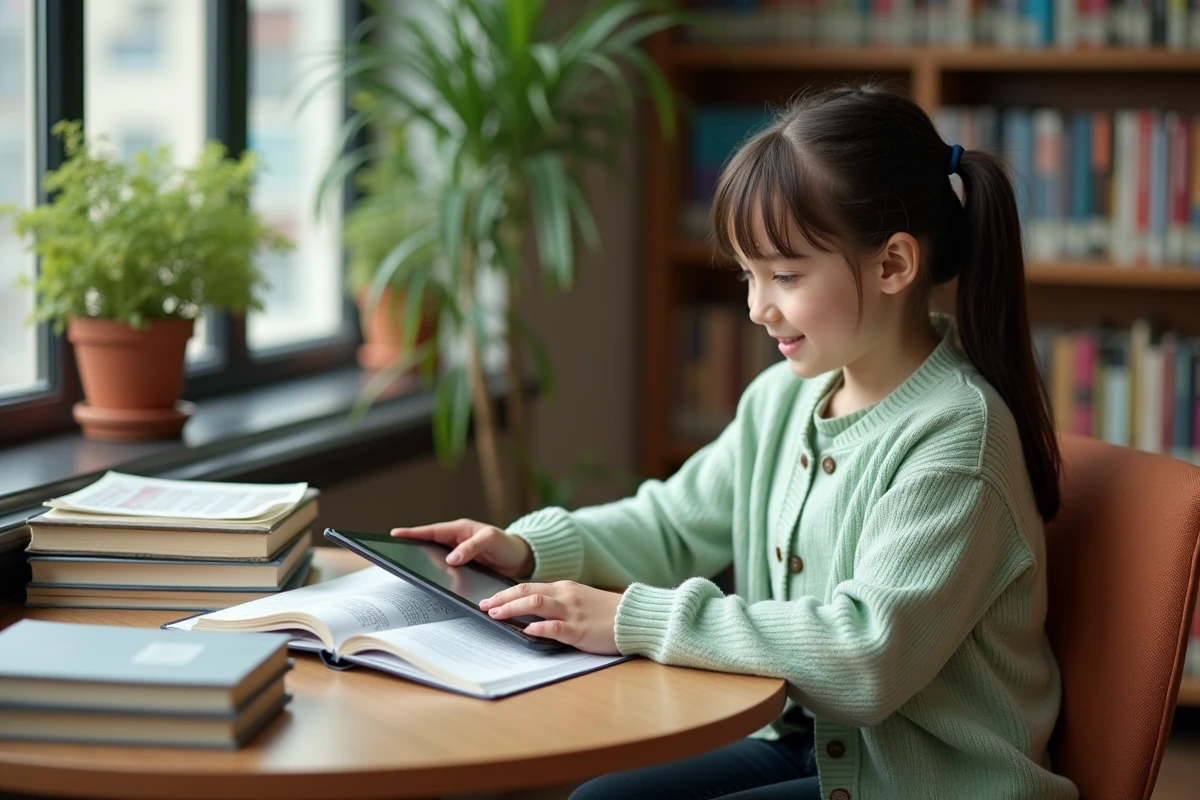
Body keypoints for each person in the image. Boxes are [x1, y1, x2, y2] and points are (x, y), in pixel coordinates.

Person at [390, 84, 1079, 800]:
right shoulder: (782, 400)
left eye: (784, 275)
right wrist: (529, 550)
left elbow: (864, 658)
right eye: (749, 275)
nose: (757, 307)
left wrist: (631, 619)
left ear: (893, 265)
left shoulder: (956, 440)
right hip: (813, 747)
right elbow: (671, 521)